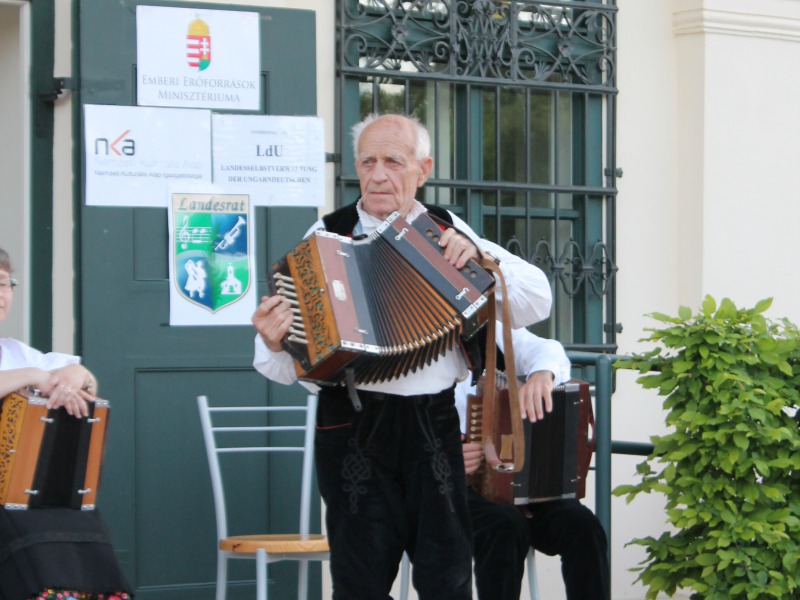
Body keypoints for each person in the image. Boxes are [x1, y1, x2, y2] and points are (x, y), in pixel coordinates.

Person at [252, 113, 552, 599]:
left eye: (392, 161)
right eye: (367, 162)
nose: (377, 175)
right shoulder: (326, 237)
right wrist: (273, 341)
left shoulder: (446, 230)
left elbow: (537, 300)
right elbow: (289, 368)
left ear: (423, 168)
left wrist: (482, 263)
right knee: (360, 582)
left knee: (446, 576)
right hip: (352, 425)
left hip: (431, 422)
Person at [0, 248, 132, 600]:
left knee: (77, 517)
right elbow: (36, 376)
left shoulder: (15, 351)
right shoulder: (25, 364)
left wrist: (74, 378)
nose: (0, 294)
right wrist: (32, 376)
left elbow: (85, 378)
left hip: (23, 502)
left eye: (4, 283)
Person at [457, 325, 610, 600]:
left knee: (583, 526)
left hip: (521, 486)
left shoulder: (489, 326)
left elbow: (546, 349)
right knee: (504, 525)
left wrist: (542, 374)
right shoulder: (419, 350)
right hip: (454, 491)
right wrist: (446, 455)